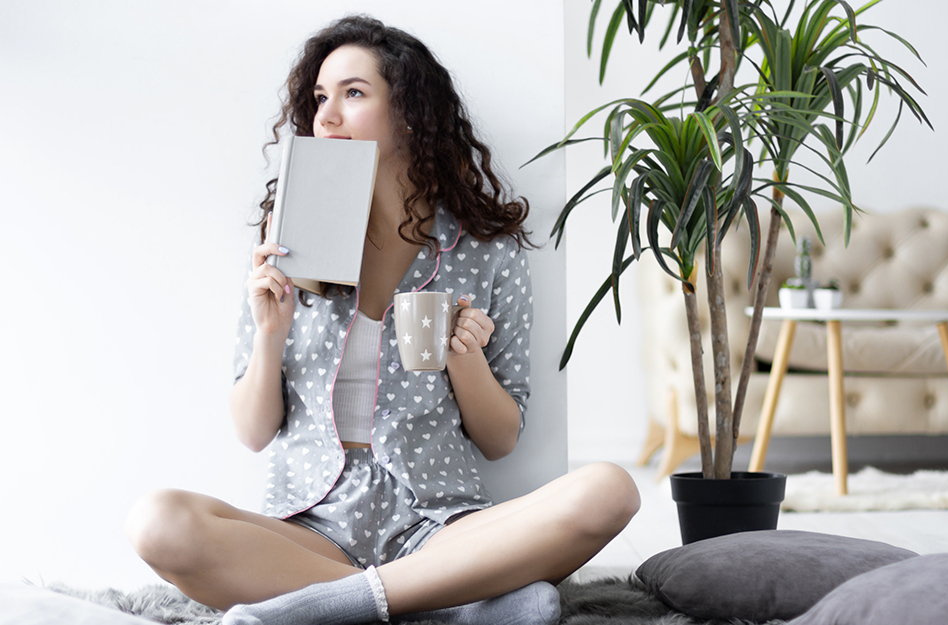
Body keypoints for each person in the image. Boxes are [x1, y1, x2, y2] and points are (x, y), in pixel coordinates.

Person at [125, 14, 640, 625]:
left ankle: (329, 608)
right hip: (310, 526)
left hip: (441, 523)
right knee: (157, 522)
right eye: (320, 97)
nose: (327, 116)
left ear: (410, 112)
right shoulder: (289, 238)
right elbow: (253, 430)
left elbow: (501, 440)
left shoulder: (484, 249)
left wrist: (465, 360)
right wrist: (270, 335)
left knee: (610, 489)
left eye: (353, 93)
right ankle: (447, 605)